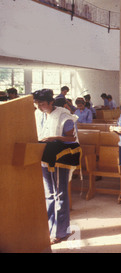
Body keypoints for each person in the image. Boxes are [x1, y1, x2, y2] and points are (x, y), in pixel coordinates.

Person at [33, 89, 81, 245]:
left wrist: (54, 137)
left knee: (59, 194)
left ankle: (60, 232)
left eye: (42, 104)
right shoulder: (38, 114)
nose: (39, 107)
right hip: (44, 156)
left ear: (51, 102)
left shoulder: (63, 116)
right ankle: (48, 228)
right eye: (37, 104)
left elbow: (71, 138)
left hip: (61, 156)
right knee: (49, 193)